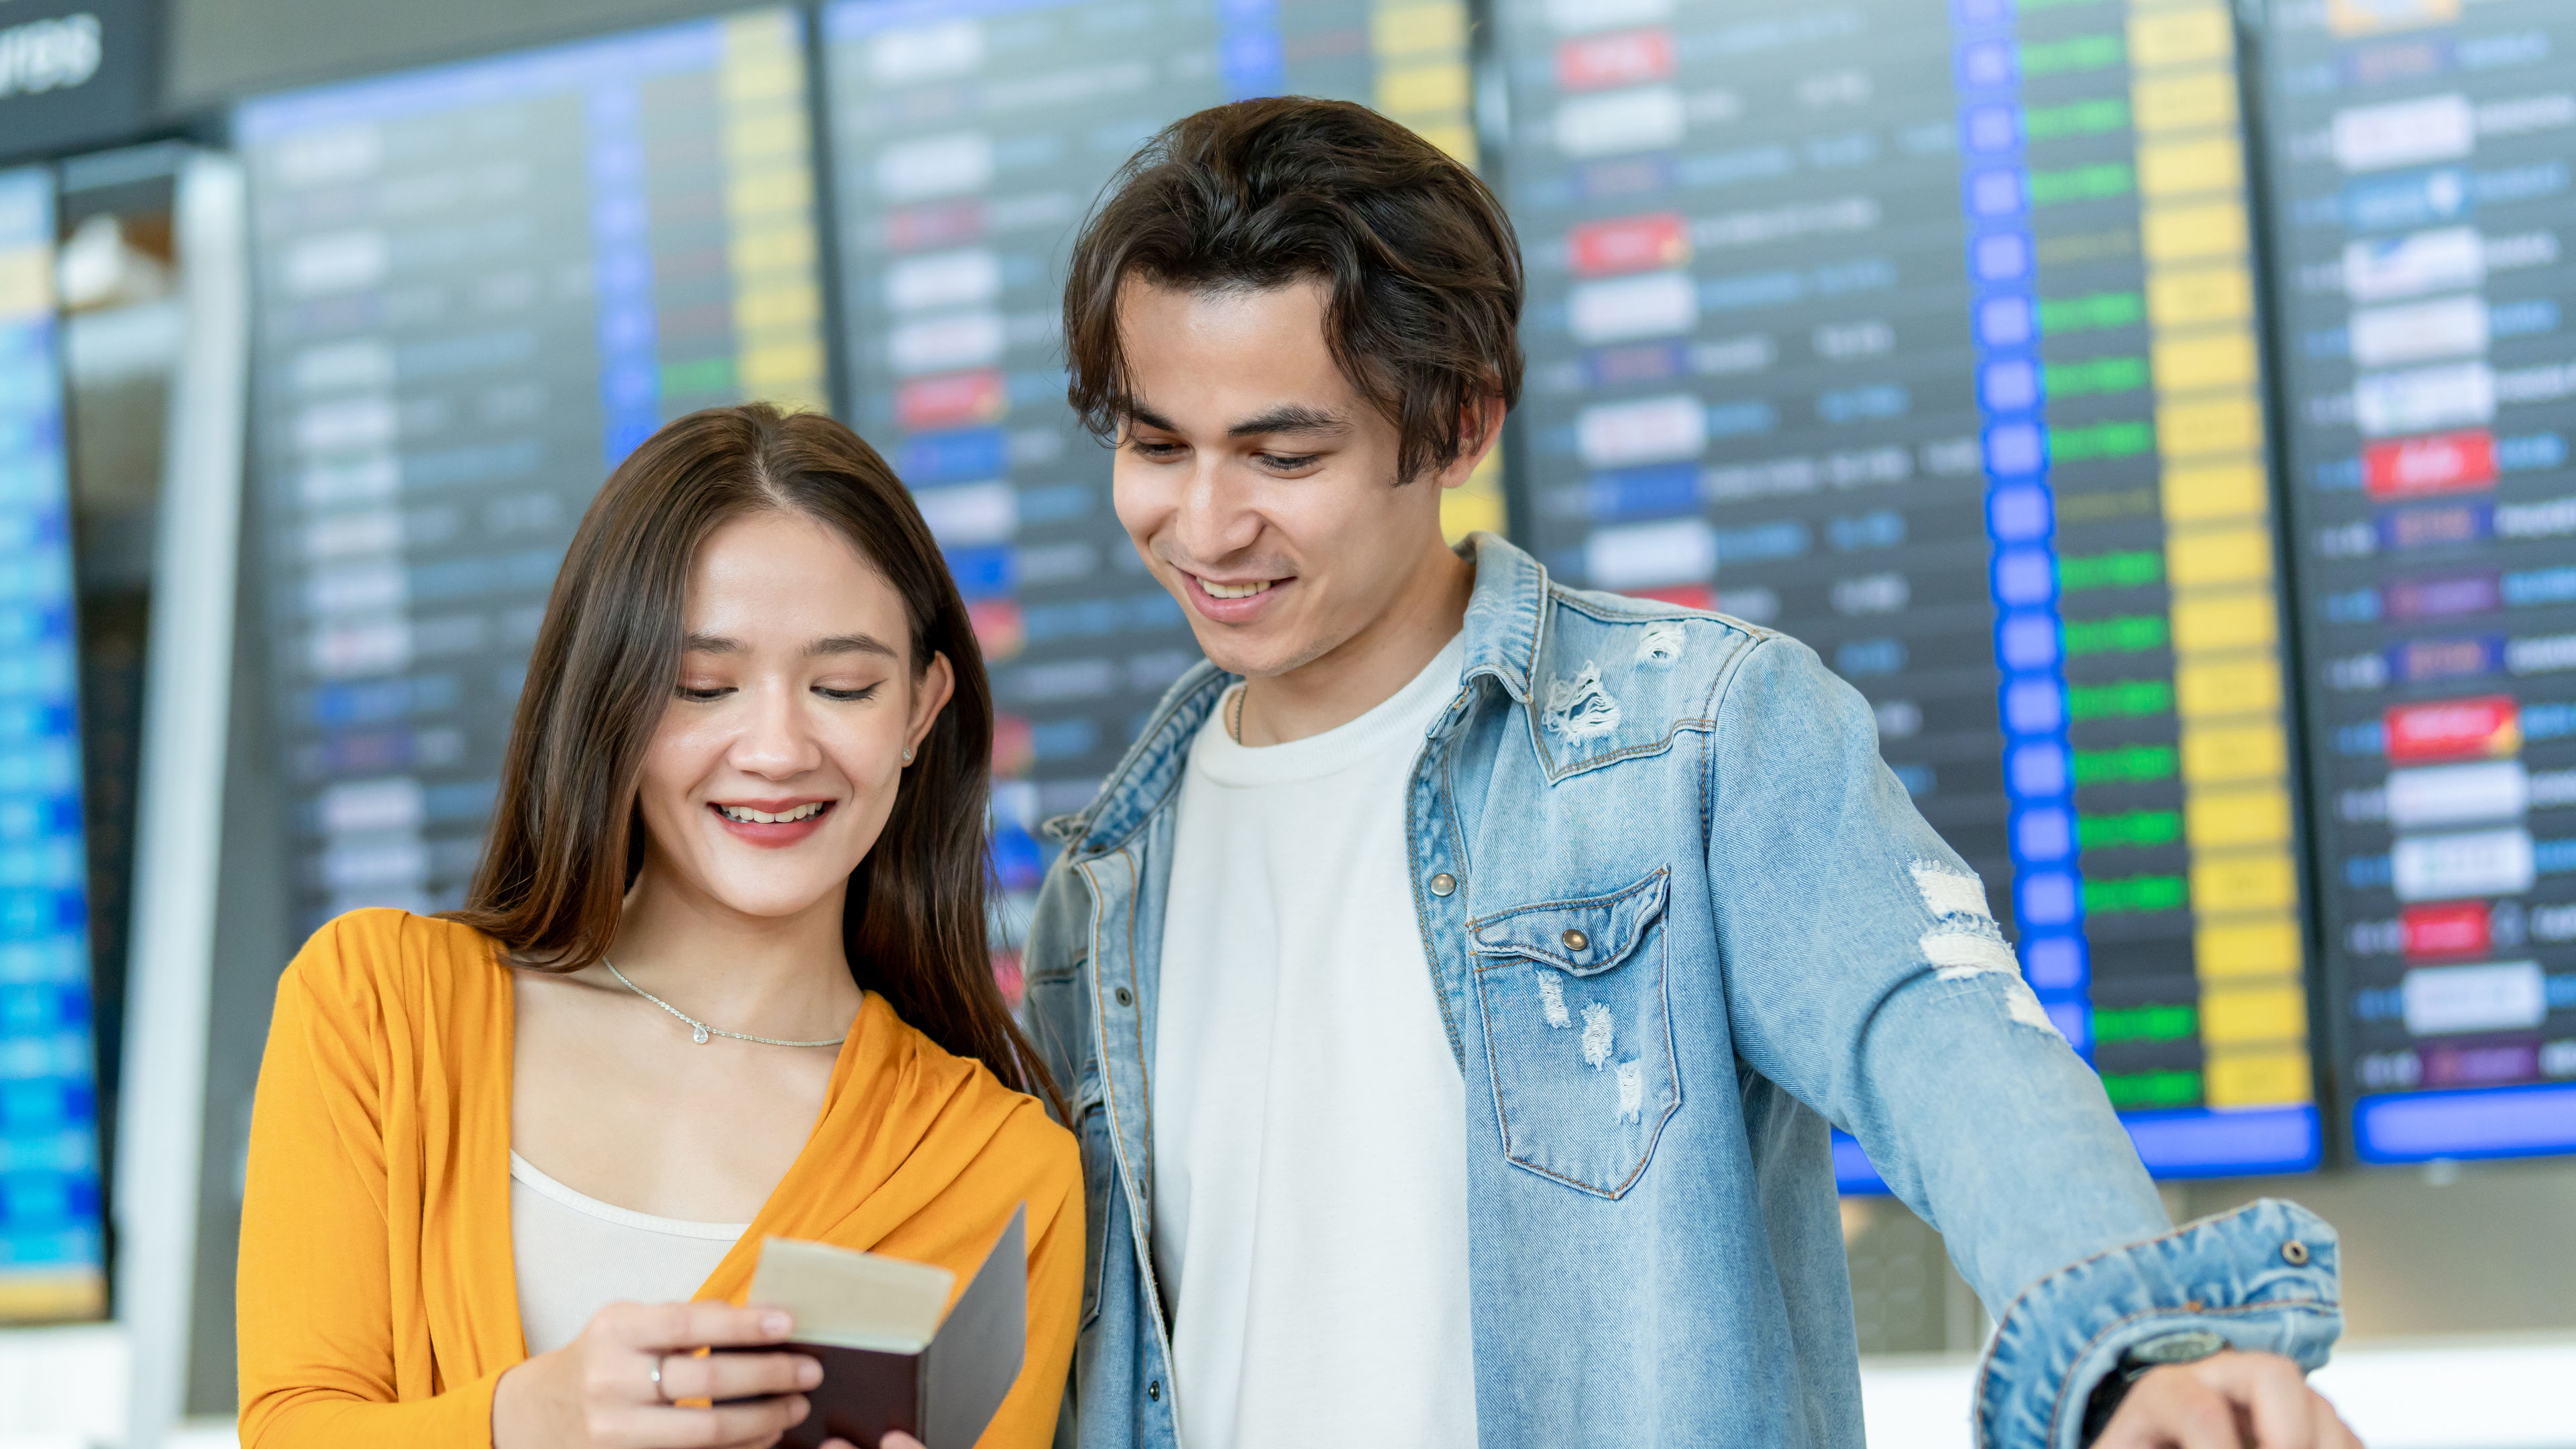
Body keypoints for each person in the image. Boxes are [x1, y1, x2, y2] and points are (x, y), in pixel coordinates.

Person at [1018, 98, 2361, 1448]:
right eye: (1154, 445)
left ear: (1464, 422)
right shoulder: (1108, 877)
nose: (1201, 523)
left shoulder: (1702, 739)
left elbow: (1939, 1036)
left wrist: (2139, 1353)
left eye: (1282, 454)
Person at [235, 405, 1081, 1449]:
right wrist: (526, 1422)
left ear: (919, 710)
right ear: (611, 701)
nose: (776, 749)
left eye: (844, 686)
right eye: (702, 686)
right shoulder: (378, 1009)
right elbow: (290, 1427)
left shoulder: (996, 1172)